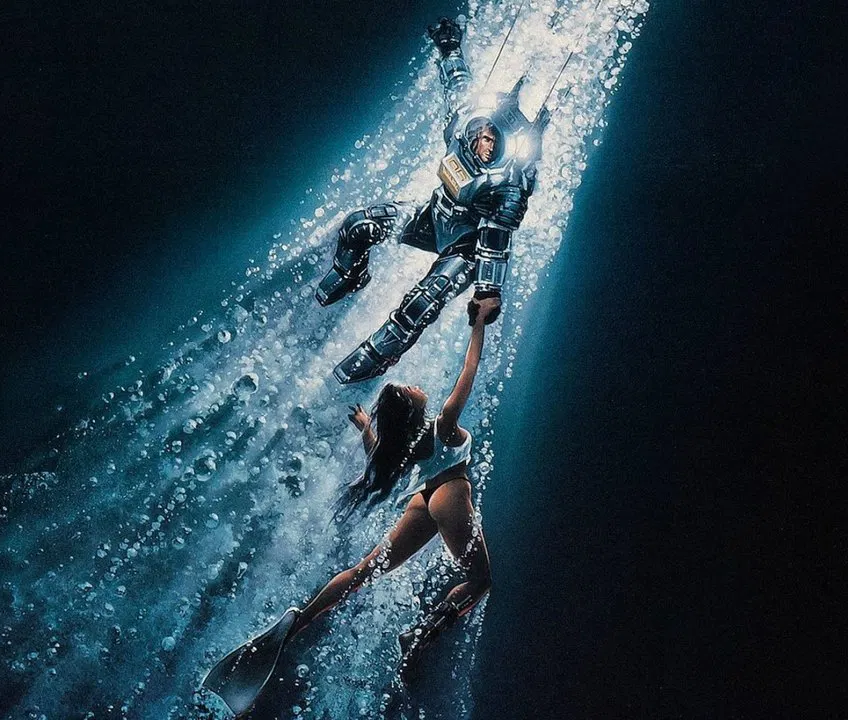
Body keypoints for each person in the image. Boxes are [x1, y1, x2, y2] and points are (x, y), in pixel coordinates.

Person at [201, 297, 500, 716]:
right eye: (409, 390)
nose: (416, 387)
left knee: (364, 570)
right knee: (480, 579)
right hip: (449, 492)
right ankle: (418, 634)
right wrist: (479, 323)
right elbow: (470, 369)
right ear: (412, 408)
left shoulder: (405, 444)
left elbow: (378, 456)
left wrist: (365, 430)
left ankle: (301, 620)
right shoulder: (444, 423)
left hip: (424, 499)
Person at [319, 16, 550, 384]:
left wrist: (487, 290)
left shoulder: (511, 179)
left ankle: (379, 355)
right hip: (432, 217)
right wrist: (450, 49)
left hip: (466, 248)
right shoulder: (462, 126)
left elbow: (496, 241)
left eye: (493, 141)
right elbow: (457, 86)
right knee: (359, 224)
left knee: (423, 300)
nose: (485, 143)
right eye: (484, 135)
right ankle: (351, 275)